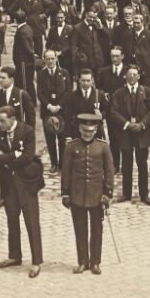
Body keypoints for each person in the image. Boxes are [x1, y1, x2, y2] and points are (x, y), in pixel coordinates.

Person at [0, 104, 44, 278]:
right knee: (12, 220)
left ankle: (36, 261)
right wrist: (14, 155)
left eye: (2, 121)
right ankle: (14, 256)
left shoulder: (27, 131)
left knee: (31, 222)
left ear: (13, 119)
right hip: (9, 186)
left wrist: (7, 161)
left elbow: (28, 156)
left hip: (27, 185)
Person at [61, 111, 114, 275]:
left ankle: (96, 262)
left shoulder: (103, 146)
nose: (87, 134)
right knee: (80, 229)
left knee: (97, 230)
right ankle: (82, 261)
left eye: (90, 131)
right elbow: (66, 171)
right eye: (84, 131)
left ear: (96, 130)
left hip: (97, 196)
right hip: (77, 195)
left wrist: (108, 193)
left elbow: (109, 172)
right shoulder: (71, 146)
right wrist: (65, 193)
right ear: (79, 129)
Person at [110, 64, 150, 204]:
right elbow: (113, 112)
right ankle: (126, 194)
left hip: (142, 133)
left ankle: (144, 195)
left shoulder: (146, 91)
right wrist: (127, 124)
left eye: (135, 74)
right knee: (127, 165)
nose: (132, 77)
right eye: (129, 74)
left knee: (142, 165)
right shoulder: (118, 93)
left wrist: (142, 124)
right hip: (126, 133)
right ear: (125, 76)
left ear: (139, 76)